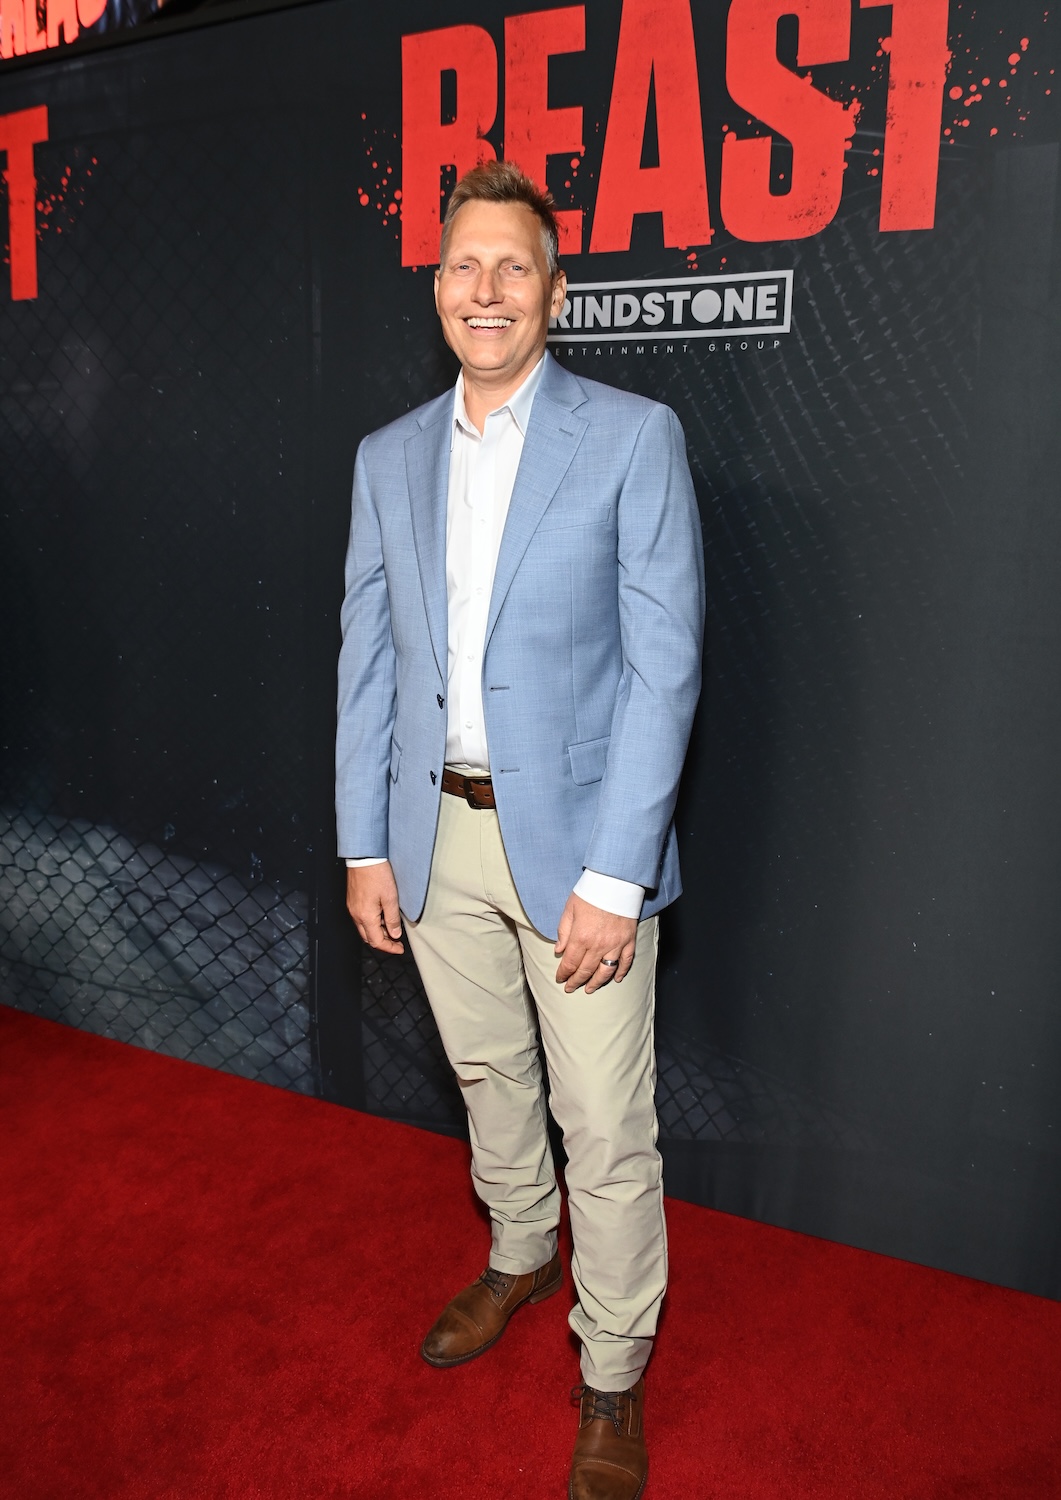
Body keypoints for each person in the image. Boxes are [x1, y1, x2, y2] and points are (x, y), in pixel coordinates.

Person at [336, 159, 705, 1500]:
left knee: (603, 1122)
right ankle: (515, 1253)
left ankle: (610, 1366)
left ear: (554, 289)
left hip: (580, 855)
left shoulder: (630, 437)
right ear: (434, 287)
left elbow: (664, 670)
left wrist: (615, 874)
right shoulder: (387, 458)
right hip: (431, 840)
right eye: (460, 266)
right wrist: (363, 842)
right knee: (489, 1078)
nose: (483, 290)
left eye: (511, 266)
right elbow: (367, 661)